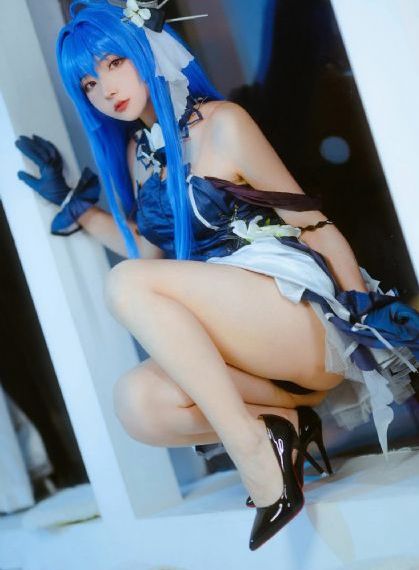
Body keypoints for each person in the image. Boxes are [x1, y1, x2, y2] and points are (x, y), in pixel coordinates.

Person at [15, 0, 419, 551]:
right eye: (88, 83)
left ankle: (251, 453)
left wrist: (358, 303)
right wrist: (78, 209)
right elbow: (149, 254)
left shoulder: (222, 124)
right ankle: (281, 424)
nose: (106, 89)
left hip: (293, 315)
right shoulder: (139, 153)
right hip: (248, 357)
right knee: (135, 404)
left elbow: (313, 224)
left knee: (126, 282)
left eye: (113, 63)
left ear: (145, 49)